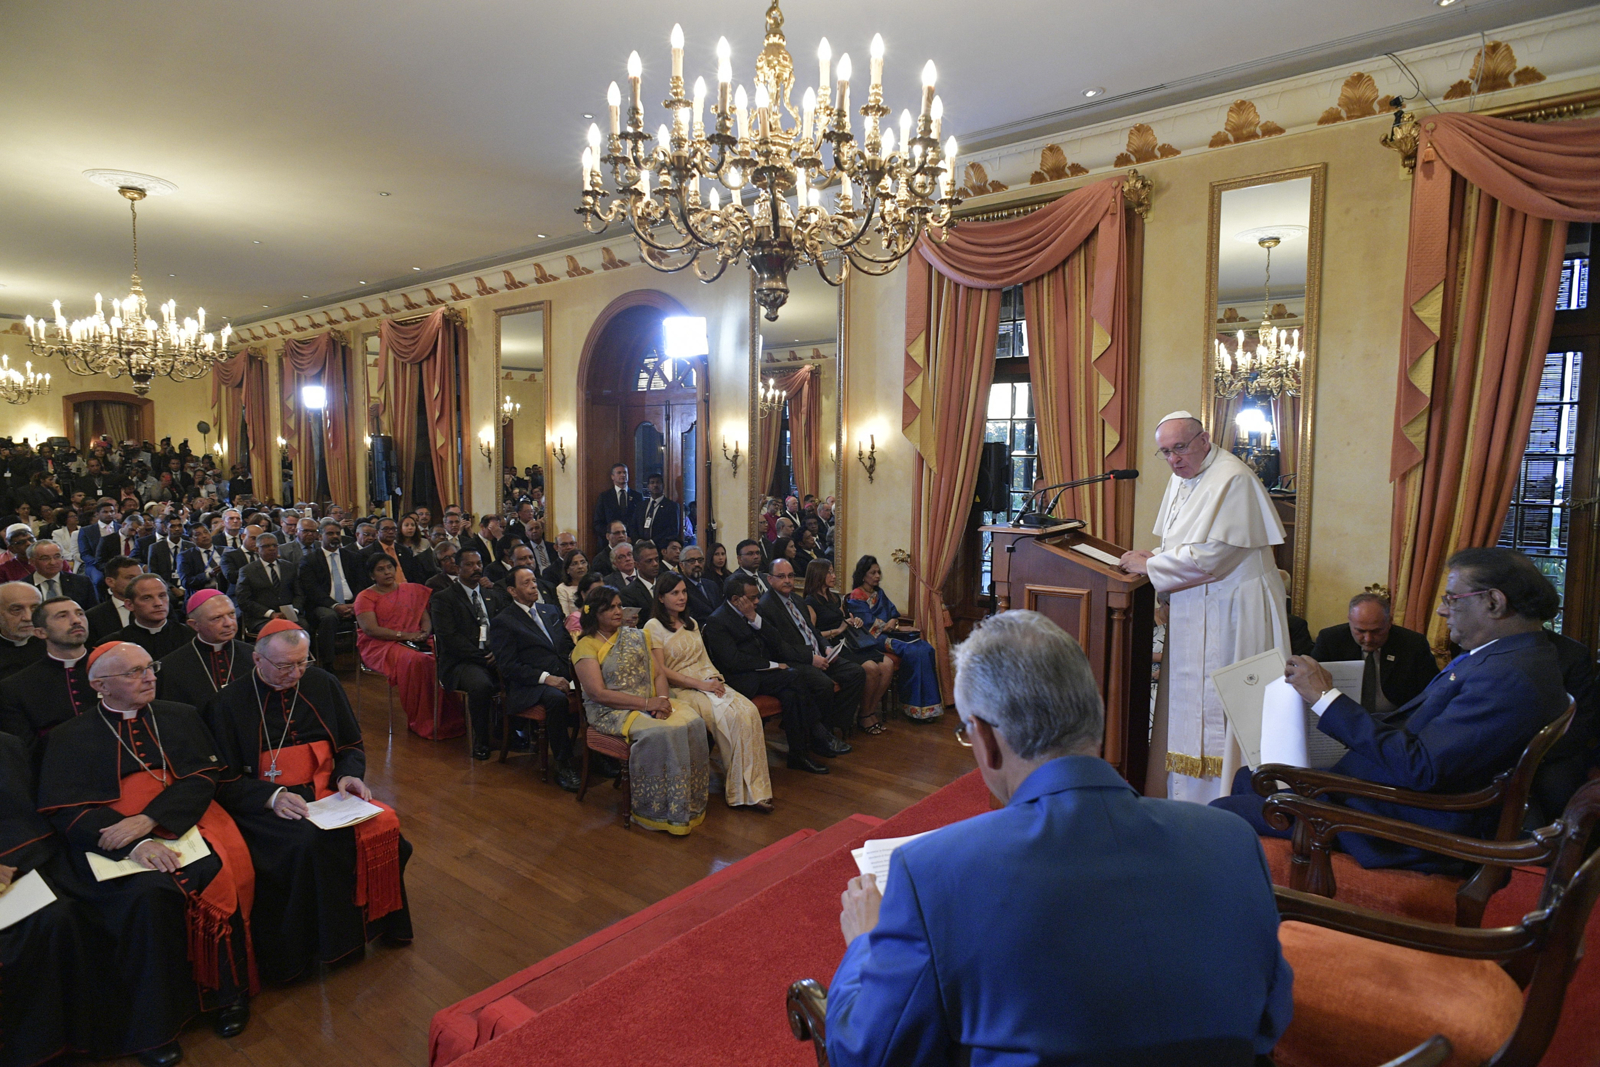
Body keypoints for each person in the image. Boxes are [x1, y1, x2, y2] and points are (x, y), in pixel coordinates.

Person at [827, 611, 1292, 1066]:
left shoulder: (931, 873)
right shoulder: (1232, 841)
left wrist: (867, 944)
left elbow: (867, 1053)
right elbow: (1270, 1023)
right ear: (1097, 716)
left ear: (985, 739)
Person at [1213, 547, 1572, 872]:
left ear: (1494, 602)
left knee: (1223, 813)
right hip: (1400, 794)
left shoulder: (1508, 676)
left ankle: (1271, 911)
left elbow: (1421, 767)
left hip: (1407, 822)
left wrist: (1325, 697)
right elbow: (1421, 730)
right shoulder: (1512, 656)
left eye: (1452, 598)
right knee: (1249, 776)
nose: (1441, 609)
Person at [37, 641, 256, 1063]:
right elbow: (63, 811)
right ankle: (155, 1028)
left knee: (215, 873)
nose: (150, 677)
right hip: (109, 840)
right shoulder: (69, 737)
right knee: (147, 898)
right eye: (134, 672)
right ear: (101, 686)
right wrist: (135, 842)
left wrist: (151, 819)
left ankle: (227, 995)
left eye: (150, 667)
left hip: (180, 821)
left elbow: (202, 777)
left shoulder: (180, 715)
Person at [206, 622, 412, 984]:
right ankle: (307, 952)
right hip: (266, 802)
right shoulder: (228, 703)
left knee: (385, 825)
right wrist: (271, 797)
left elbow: (351, 744)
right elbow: (223, 779)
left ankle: (378, 926)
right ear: (257, 659)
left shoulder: (323, 683)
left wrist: (348, 775)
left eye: (303, 662)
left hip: (328, 790)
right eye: (285, 666)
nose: (296, 673)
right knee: (308, 843)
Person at [1119, 410, 1289, 804]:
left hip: (1234, 611)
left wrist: (1151, 566)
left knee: (1227, 705)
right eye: (1165, 452)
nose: (1174, 459)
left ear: (1204, 439)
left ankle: (1230, 796)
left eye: (1180, 447)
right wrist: (1156, 556)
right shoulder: (1182, 478)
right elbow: (1182, 544)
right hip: (1198, 605)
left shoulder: (1233, 478)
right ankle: (1182, 796)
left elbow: (1215, 556)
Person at [0, 730, 120, 1067]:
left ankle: (56, 1048)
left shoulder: (6, 747)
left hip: (13, 875)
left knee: (58, 915)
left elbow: (24, 822)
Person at [571, 583, 710, 833]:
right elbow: (598, 693)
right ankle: (655, 810)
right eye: (610, 608)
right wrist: (647, 704)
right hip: (611, 711)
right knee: (661, 732)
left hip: (650, 701)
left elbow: (658, 674)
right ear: (595, 613)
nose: (618, 611)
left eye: (619, 606)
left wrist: (663, 701)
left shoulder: (637, 636)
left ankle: (687, 804)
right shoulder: (586, 646)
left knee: (694, 722)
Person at [645, 572, 773, 812]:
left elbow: (704, 658)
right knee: (730, 718)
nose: (682, 597)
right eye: (675, 593)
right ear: (660, 598)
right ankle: (740, 791)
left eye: (684, 592)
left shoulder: (691, 623)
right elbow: (660, 670)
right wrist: (699, 684)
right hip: (680, 688)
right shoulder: (653, 626)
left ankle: (754, 789)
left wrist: (714, 680)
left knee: (748, 712)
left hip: (706, 680)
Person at [703, 573, 828, 775]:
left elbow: (776, 641)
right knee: (795, 675)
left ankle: (798, 755)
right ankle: (818, 731)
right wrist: (772, 665)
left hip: (763, 674)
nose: (757, 601)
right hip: (740, 679)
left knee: (791, 695)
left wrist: (754, 618)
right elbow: (733, 661)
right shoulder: (718, 621)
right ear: (736, 599)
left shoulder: (753, 612)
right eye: (752, 598)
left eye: (757, 596)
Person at [489, 564, 582, 791]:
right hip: (528, 685)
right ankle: (563, 764)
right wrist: (545, 678)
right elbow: (509, 666)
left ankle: (597, 756)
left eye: (534, 581)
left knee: (594, 687)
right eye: (526, 583)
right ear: (512, 591)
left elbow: (566, 646)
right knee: (556, 699)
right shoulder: (504, 621)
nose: (533, 586)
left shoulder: (549, 610)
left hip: (562, 674)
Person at [356, 553, 462, 739]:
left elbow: (425, 619)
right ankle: (424, 720)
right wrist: (405, 636)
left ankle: (452, 717)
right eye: (380, 570)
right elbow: (370, 629)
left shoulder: (411, 590)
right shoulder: (365, 597)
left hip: (417, 639)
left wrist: (424, 633)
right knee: (418, 661)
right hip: (381, 645)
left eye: (389, 567)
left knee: (443, 654)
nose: (387, 572)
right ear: (372, 575)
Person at [759, 559, 862, 750]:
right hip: (794, 661)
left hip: (818, 653)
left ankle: (829, 726)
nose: (788, 580)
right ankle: (821, 736)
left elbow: (813, 631)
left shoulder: (797, 600)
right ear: (770, 579)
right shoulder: (766, 607)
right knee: (824, 685)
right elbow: (779, 647)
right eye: (781, 576)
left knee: (856, 673)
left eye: (790, 575)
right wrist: (810, 658)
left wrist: (827, 648)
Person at [431, 547, 508, 759]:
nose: (476, 568)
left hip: (494, 656)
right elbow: (449, 638)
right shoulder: (443, 599)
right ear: (458, 568)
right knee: (481, 684)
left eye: (479, 564)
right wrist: (483, 657)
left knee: (522, 672)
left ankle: (511, 732)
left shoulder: (492, 595)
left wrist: (498, 653)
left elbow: (505, 628)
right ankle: (481, 739)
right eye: (470, 564)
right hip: (461, 662)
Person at [846, 555, 944, 724]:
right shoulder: (856, 596)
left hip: (889, 633)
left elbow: (892, 613)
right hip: (873, 638)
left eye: (878, 572)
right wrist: (889, 626)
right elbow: (867, 623)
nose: (877, 576)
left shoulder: (879, 593)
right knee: (914, 652)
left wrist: (893, 622)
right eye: (873, 573)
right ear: (863, 575)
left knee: (925, 648)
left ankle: (927, 708)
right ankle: (914, 707)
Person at [1309, 591, 1439, 716]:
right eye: (1360, 631)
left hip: (1396, 719)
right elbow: (1310, 682)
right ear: (1350, 621)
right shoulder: (1330, 640)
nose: (1368, 639)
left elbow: (1432, 691)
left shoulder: (1413, 643)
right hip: (1344, 717)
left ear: (1389, 622)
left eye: (1376, 631)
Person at [805, 560, 892, 734]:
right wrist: (837, 631)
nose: (834, 576)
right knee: (871, 668)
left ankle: (868, 712)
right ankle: (864, 716)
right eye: (830, 572)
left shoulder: (834, 597)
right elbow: (811, 634)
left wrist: (854, 621)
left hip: (848, 641)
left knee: (888, 664)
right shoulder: (810, 602)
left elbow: (844, 620)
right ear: (818, 575)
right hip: (830, 646)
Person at [0, 595, 92, 755]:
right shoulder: (15, 687)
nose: (76, 621)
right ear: (40, 632)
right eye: (62, 616)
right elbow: (25, 751)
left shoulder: (115, 669)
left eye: (79, 613)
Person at [158, 589, 252, 711]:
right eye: (217, 618)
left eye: (231, 614)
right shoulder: (171, 667)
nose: (229, 623)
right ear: (194, 625)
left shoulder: (254, 655)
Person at [299, 520, 365, 667]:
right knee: (329, 617)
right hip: (324, 604)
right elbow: (312, 590)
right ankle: (328, 663)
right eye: (330, 533)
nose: (335, 536)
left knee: (371, 611)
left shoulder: (352, 557)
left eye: (337, 533)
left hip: (352, 602)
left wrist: (356, 603)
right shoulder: (309, 560)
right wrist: (335, 605)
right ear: (319, 536)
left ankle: (371, 657)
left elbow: (361, 583)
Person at [234, 532, 301, 634]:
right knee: (278, 631)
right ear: (257, 549)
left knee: (304, 627)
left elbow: (299, 594)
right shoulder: (247, 571)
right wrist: (270, 614)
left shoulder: (289, 567)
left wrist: (293, 611)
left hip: (290, 615)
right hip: (262, 617)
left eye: (274, 545)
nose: (272, 549)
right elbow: (244, 600)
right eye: (266, 546)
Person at [117, 574, 191, 660]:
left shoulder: (191, 636)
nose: (158, 603)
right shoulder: (117, 644)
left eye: (162, 596)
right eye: (147, 598)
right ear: (129, 605)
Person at [26, 539, 97, 610]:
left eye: (57, 556)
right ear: (32, 561)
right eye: (45, 558)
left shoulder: (81, 582)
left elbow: (93, 612)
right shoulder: (25, 586)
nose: (53, 562)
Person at [592, 462, 643, 548]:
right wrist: (614, 536)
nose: (623, 475)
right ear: (612, 476)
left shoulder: (637, 496)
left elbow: (640, 522)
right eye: (619, 473)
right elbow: (598, 523)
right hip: (609, 544)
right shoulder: (605, 497)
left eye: (625, 472)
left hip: (632, 544)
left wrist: (632, 538)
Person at [679, 545, 721, 624]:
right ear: (682, 565)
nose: (697, 564)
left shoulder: (712, 585)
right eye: (692, 561)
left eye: (700, 560)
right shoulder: (681, 588)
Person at [618, 539, 662, 613]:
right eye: (649, 561)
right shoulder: (628, 593)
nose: (655, 564)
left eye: (657, 559)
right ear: (637, 565)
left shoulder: (665, 585)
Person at [638, 473, 682, 546]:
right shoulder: (641, 505)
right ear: (648, 486)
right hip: (641, 546)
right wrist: (638, 541)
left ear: (663, 485)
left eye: (658, 482)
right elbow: (634, 526)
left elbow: (673, 530)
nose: (655, 485)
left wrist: (652, 542)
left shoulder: (672, 506)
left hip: (660, 547)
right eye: (652, 483)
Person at [555, 549, 590, 618]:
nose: (580, 566)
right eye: (575, 564)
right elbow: (566, 616)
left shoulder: (593, 584)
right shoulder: (562, 588)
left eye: (583, 562)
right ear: (567, 570)